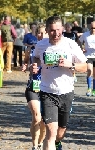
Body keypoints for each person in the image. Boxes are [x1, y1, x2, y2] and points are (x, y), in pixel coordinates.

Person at [32, 16, 87, 150]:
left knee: (60, 132)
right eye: (52, 31)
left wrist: (71, 64)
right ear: (47, 30)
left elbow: (85, 66)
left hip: (66, 92)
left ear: (62, 29)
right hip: (47, 92)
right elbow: (35, 57)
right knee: (51, 132)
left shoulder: (70, 44)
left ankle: (58, 142)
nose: (56, 33)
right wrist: (34, 65)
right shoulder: (41, 45)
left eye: (58, 30)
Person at [22, 23, 46, 150]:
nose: (41, 35)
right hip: (33, 86)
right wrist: (25, 66)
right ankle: (34, 146)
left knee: (43, 121)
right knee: (36, 116)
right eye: (39, 33)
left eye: (43, 33)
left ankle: (41, 142)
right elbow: (26, 61)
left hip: (48, 88)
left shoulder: (53, 49)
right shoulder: (31, 48)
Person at [79, 21, 95, 96]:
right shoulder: (86, 35)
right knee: (89, 71)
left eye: (94, 28)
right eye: (92, 28)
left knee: (94, 74)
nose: (93, 29)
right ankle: (89, 88)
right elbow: (78, 41)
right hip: (88, 56)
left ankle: (94, 89)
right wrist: (81, 48)